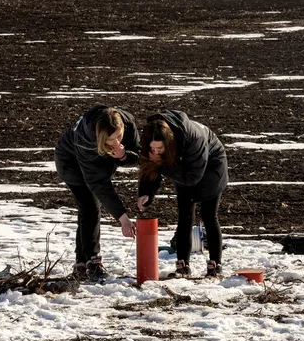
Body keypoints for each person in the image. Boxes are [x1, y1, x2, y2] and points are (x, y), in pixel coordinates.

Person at [136, 110, 228, 279]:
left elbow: (192, 177)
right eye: (152, 148)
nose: (155, 152)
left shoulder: (194, 139)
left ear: (169, 143)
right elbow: (150, 165)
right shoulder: (151, 135)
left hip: (212, 166)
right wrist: (146, 193)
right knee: (184, 216)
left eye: (160, 148)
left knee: (209, 215)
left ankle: (215, 264)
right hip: (183, 167)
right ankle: (182, 264)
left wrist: (162, 167)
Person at [54, 105, 139, 281]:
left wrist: (123, 155)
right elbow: (99, 184)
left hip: (98, 159)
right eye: (111, 140)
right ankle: (91, 261)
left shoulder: (127, 123)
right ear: (101, 138)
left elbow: (139, 155)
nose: (116, 142)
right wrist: (123, 219)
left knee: (87, 209)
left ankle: (82, 262)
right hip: (70, 163)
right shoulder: (85, 140)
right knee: (89, 205)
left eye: (119, 136)